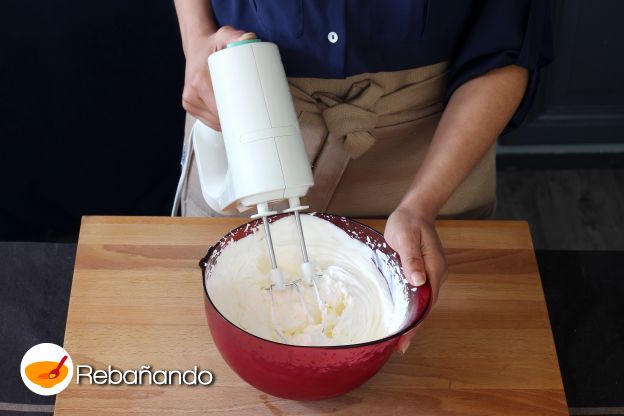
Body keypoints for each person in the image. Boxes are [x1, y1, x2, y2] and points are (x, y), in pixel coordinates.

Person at [173, 1, 552, 352]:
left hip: (434, 150)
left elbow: (506, 43)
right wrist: (196, 40)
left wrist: (421, 207)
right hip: (249, 113)